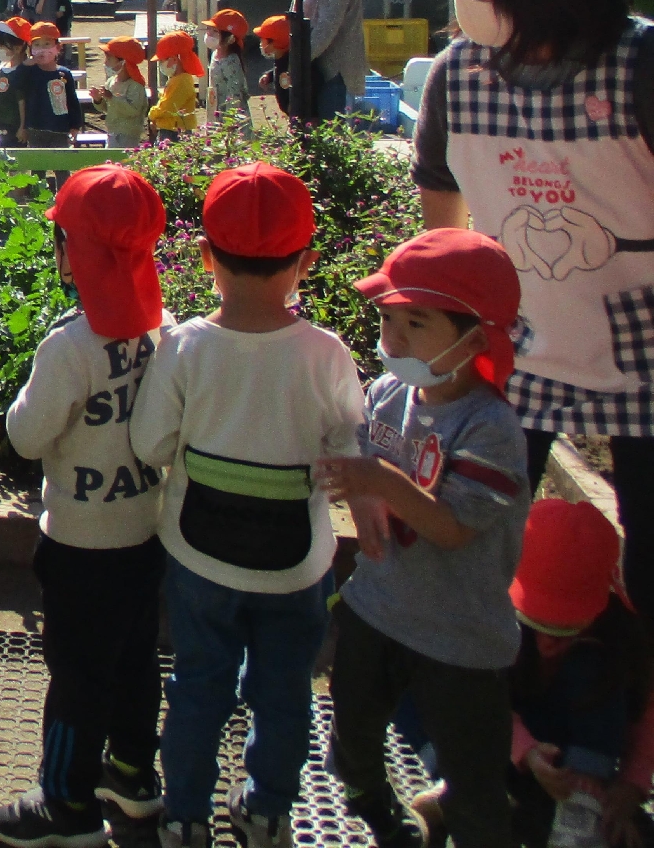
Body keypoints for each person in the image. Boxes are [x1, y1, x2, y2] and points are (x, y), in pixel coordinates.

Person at [414, 0, 654, 613]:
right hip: (516, 344)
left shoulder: (641, 64)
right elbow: (441, 217)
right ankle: (502, 695)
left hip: (641, 345)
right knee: (485, 534)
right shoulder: (458, 75)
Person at [130, 164, 366, 848]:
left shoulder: (185, 348)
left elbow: (151, 444)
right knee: (285, 689)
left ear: (205, 256)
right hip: (296, 568)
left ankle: (184, 816)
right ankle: (266, 810)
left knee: (199, 684)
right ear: (306, 263)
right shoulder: (325, 354)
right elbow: (351, 445)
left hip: (200, 560)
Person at [316, 230, 530, 848]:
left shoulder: (491, 430)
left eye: (417, 322)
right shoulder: (387, 395)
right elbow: (358, 460)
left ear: (475, 337)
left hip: (460, 637)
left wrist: (377, 480)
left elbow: (455, 528)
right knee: (351, 737)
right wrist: (362, 495)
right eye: (388, 319)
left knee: (474, 777)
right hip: (376, 609)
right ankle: (381, 814)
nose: (394, 339)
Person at [0, 165, 171, 848]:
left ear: (73, 254)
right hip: (146, 532)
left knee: (77, 674)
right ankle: (131, 774)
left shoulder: (69, 345)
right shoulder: (165, 329)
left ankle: (64, 802)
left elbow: (27, 435)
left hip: (79, 543)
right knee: (134, 658)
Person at [497, 501, 654, 848]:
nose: (547, 640)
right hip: (511, 741)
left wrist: (631, 785)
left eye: (564, 626)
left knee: (595, 667)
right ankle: (461, 789)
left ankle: (582, 808)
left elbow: (645, 712)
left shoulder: (619, 635)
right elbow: (480, 700)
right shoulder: (493, 619)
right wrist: (527, 752)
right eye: (537, 622)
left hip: (577, 758)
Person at [18, 22, 83, 148]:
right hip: (35, 128)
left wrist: (75, 126)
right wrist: (25, 66)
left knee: (61, 165)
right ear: (31, 49)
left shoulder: (64, 73)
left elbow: (72, 101)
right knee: (37, 166)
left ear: (58, 48)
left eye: (47, 44)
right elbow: (16, 85)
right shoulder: (29, 72)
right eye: (37, 45)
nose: (42, 49)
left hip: (60, 128)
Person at [90, 37, 151, 148]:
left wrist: (112, 98)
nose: (105, 62)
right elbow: (106, 108)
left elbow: (133, 110)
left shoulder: (135, 86)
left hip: (128, 135)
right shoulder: (111, 81)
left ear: (123, 62)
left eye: (109, 58)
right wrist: (98, 100)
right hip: (112, 132)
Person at [147, 30, 205, 139]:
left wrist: (152, 114)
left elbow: (168, 107)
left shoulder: (182, 81)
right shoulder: (177, 79)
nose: (160, 65)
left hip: (175, 133)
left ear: (174, 59)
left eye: (162, 61)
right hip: (171, 129)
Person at [0, 20, 32, 142]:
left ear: (18, 48)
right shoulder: (2, 66)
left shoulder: (21, 72)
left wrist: (23, 127)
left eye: (3, 46)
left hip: (12, 127)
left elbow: (22, 101)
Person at [207, 9, 254, 135]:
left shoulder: (231, 61)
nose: (209, 34)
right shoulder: (215, 55)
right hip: (217, 110)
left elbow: (235, 93)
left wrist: (230, 121)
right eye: (209, 29)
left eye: (215, 31)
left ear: (230, 39)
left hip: (232, 117)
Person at [256, 15, 292, 115]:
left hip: (298, 113)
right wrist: (269, 76)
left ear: (274, 42)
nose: (260, 43)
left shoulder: (292, 64)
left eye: (262, 40)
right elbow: (278, 70)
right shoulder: (280, 59)